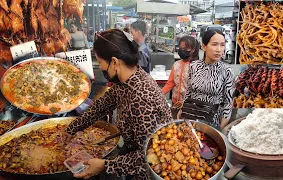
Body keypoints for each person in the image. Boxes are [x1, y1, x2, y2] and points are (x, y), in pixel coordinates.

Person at [66, 29, 172, 179]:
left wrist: (105, 165)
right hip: (130, 154)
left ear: (114, 62)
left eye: (101, 62)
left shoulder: (140, 98)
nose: (101, 67)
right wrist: (70, 130)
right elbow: (101, 106)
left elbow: (150, 158)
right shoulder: (127, 80)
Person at [180, 30, 235, 129]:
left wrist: (220, 130)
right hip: (190, 119)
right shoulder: (194, 66)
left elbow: (228, 104)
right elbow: (188, 92)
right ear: (204, 46)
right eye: (214, 44)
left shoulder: (226, 71)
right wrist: (182, 110)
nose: (219, 49)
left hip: (211, 124)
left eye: (222, 45)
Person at [162, 36, 199, 114]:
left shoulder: (196, 67)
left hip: (189, 106)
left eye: (185, 49)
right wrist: (159, 94)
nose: (182, 51)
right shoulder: (176, 64)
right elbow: (170, 83)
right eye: (180, 48)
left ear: (193, 50)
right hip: (175, 104)